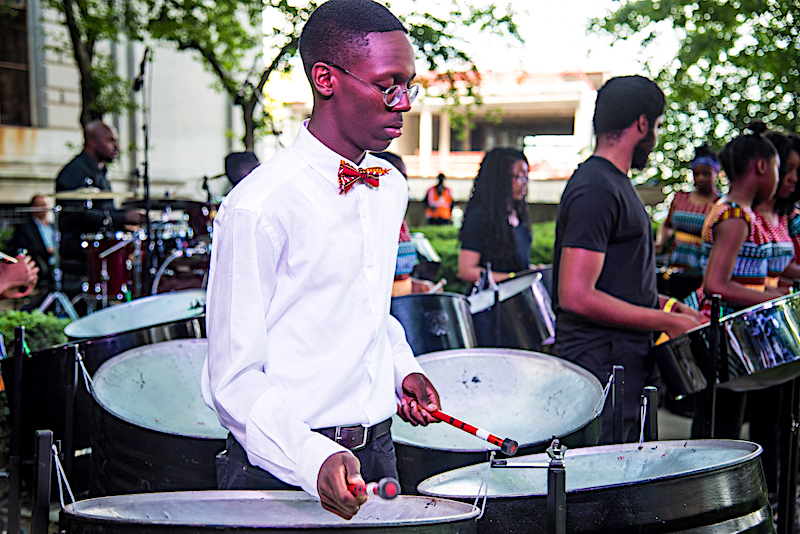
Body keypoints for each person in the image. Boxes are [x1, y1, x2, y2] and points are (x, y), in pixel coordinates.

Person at [202, 0, 440, 521]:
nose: (403, 103)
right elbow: (232, 378)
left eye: (410, 85)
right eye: (388, 85)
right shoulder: (257, 208)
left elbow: (367, 308)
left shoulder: (390, 186)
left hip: (379, 453)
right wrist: (313, 457)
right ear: (326, 79)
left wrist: (402, 369)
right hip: (281, 463)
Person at [553, 75, 705, 443]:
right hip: (599, 368)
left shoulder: (614, 184)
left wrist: (671, 307)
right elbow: (575, 294)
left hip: (622, 362)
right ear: (641, 124)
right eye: (655, 126)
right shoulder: (596, 188)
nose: (654, 137)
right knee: (601, 492)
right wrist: (665, 320)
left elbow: (620, 284)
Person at [55, 121, 146, 297]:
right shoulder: (73, 172)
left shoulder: (101, 174)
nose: (117, 146)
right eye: (111, 141)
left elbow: (106, 212)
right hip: (80, 246)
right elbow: (78, 215)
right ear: (93, 143)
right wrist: (123, 217)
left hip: (102, 245)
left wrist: (128, 221)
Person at [457, 147, 532, 289]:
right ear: (500, 178)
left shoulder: (517, 214)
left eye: (527, 177)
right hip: (491, 304)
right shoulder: (480, 216)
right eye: (518, 177)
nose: (524, 183)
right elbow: (466, 271)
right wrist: (513, 278)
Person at [372, 151, 436, 296]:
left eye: (404, 178)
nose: (404, 185)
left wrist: (415, 285)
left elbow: (399, 277)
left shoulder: (398, 219)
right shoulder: (370, 217)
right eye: (395, 177)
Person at [655, 145, 720, 272]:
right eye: (696, 174)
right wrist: (660, 241)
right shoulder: (680, 198)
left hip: (704, 269)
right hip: (674, 264)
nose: (701, 178)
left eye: (706, 173)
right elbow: (668, 226)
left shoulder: (720, 205)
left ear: (716, 174)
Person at [10, 195, 55, 288]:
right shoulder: (25, 227)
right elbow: (22, 247)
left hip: (58, 260)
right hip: (42, 262)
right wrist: (47, 250)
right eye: (41, 205)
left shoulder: (53, 226)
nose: (45, 208)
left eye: (46, 205)